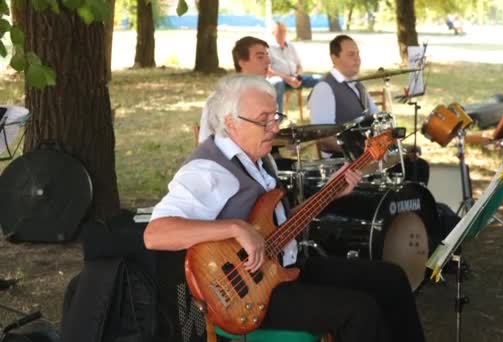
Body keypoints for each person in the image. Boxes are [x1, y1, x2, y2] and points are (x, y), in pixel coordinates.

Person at [145, 74, 425, 342]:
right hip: (246, 295)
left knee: (390, 278)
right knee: (358, 311)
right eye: (263, 120)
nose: (275, 128)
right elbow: (155, 234)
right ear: (230, 123)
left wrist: (333, 193)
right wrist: (235, 227)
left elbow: (279, 226)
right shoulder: (208, 169)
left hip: (282, 268)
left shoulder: (260, 159)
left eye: (275, 117)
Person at [308, 34, 379, 155]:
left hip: (365, 157)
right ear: (334, 58)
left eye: (358, 53)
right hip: (341, 163)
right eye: (351, 54)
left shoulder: (358, 85)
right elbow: (323, 138)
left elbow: (377, 120)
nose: (357, 59)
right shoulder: (324, 88)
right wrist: (360, 153)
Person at [198, 36, 271, 143]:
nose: (268, 61)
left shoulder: (264, 93)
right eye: (260, 57)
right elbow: (210, 140)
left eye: (267, 56)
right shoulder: (223, 97)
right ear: (241, 62)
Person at [267, 21, 321, 113]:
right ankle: (278, 118)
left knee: (320, 80)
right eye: (279, 32)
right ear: (273, 33)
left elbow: (299, 66)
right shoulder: (268, 48)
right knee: (277, 83)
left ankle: (316, 111)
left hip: (294, 77)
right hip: (280, 79)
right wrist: (288, 79)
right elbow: (269, 71)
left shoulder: (290, 46)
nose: (282, 34)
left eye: (284, 31)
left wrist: (298, 77)